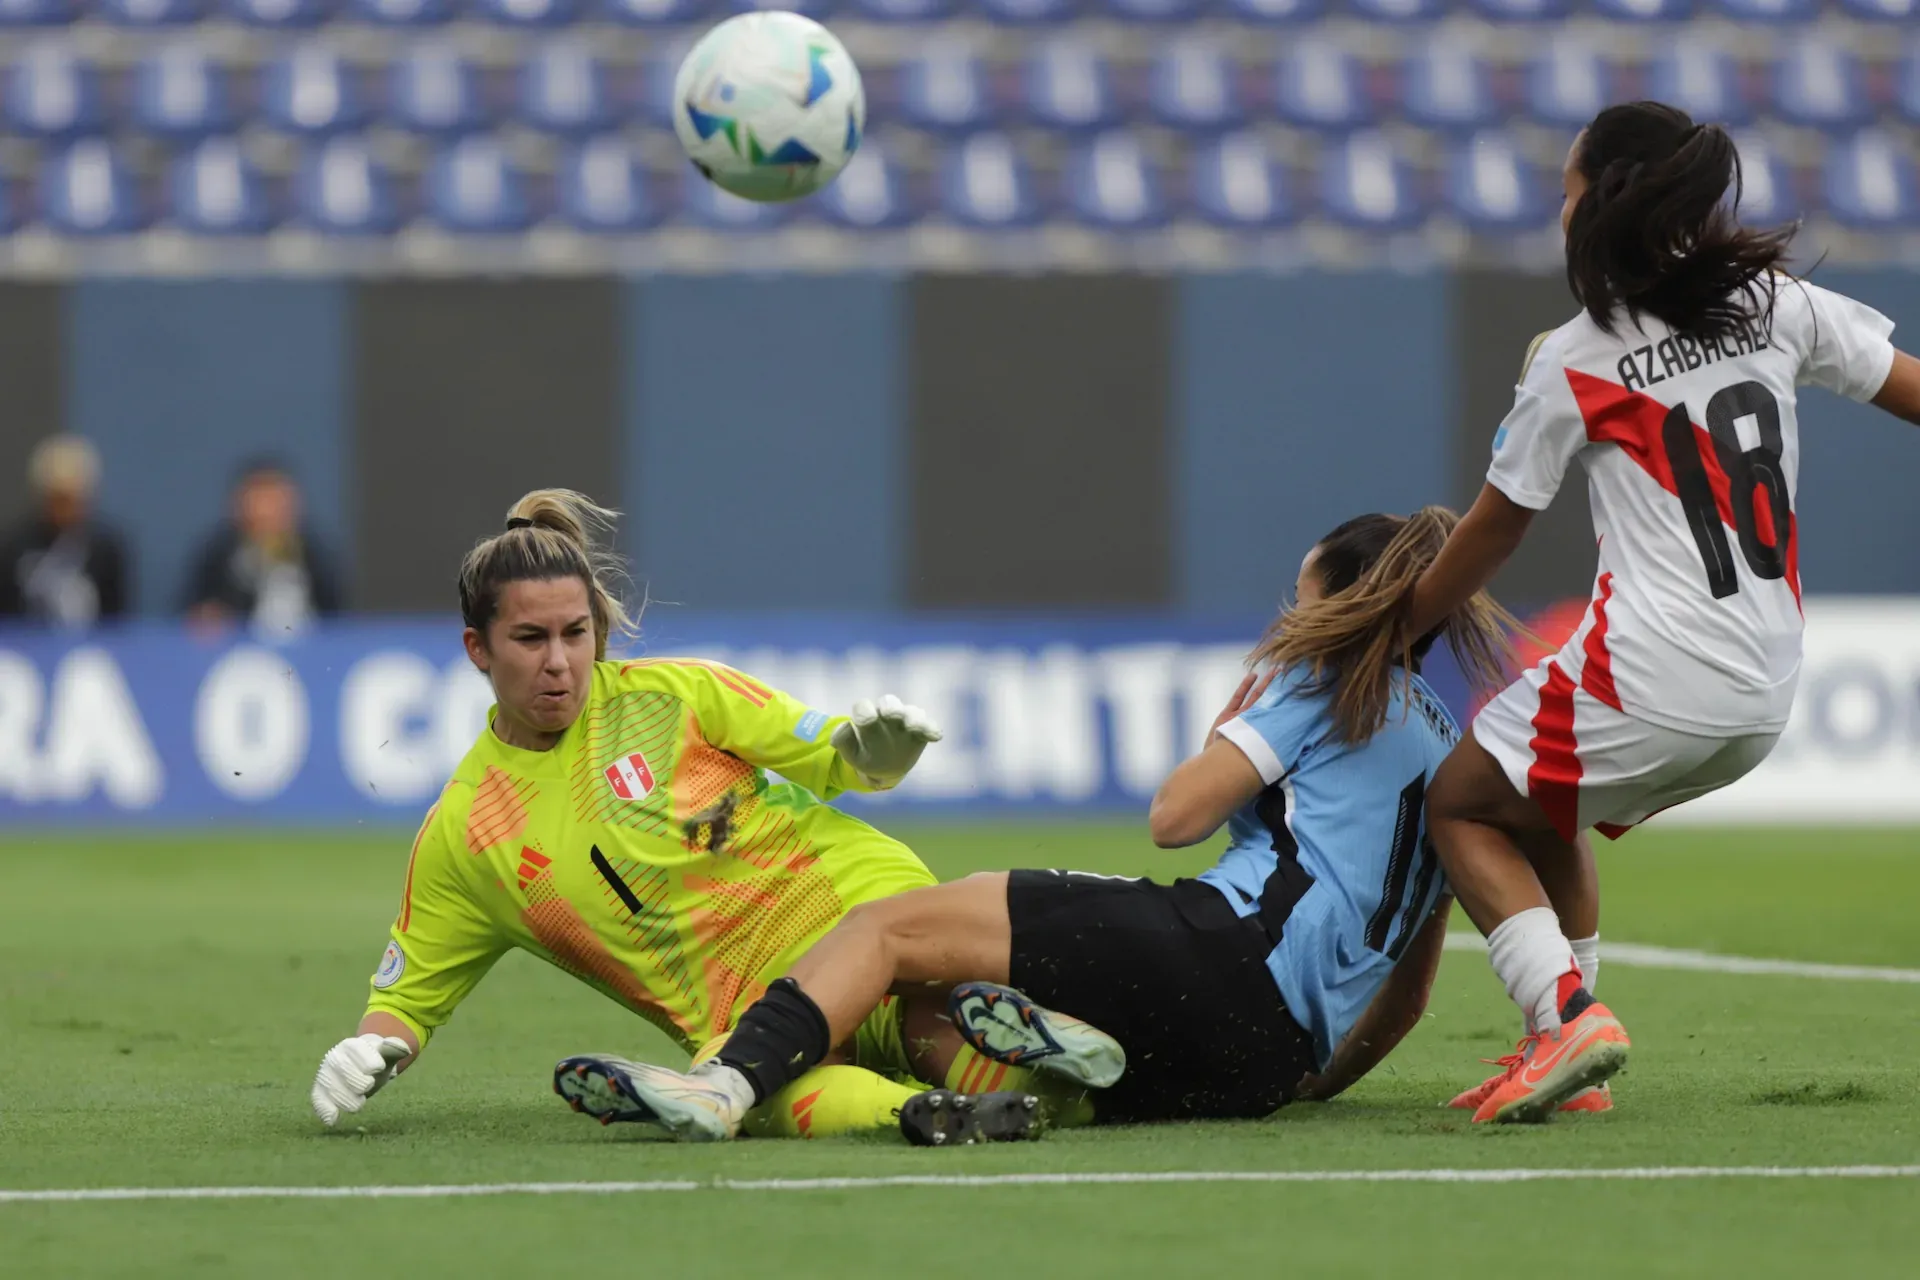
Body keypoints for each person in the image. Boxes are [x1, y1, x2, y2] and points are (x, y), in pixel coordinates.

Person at [559, 508, 1518, 1139]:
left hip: (1223, 952)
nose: (1287, 615)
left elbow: (1175, 817)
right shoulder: (1449, 762)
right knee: (953, 1009)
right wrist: (1306, 1081)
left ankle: (724, 1083)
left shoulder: (1320, 683)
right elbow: (1407, 996)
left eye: (1300, 597)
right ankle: (1059, 1061)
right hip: (1268, 1061)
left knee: (892, 929)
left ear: (1339, 605)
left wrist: (1251, 692)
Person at [1398, 101, 1920, 1124]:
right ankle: (1562, 1044)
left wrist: (1399, 628)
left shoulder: (1578, 357)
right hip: (1765, 693)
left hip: (1656, 669)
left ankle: (1565, 1015)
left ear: (1608, 203)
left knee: (1457, 800)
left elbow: (1495, 530)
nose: (1561, 211)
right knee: (1544, 800)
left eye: (1569, 190)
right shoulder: (1773, 304)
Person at [308, 489, 1040, 1146]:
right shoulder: (469, 834)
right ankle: (925, 1112)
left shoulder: (677, 696)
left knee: (921, 1026)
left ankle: (1020, 1052)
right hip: (756, 1009)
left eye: (575, 632)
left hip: (864, 914)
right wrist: (375, 1046)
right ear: (478, 649)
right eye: (531, 640)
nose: (560, 662)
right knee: (742, 1085)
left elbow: (834, 756)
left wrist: (878, 756)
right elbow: (409, 995)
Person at [183, 459, 340, 633]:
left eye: (276, 498)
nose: (268, 510)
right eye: (260, 498)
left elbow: (339, 616)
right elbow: (196, 612)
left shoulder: (315, 555)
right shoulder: (218, 556)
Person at [0, 435, 129, 628]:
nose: (65, 509)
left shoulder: (106, 548)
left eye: (72, 498)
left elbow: (117, 623)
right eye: (57, 498)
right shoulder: (16, 546)